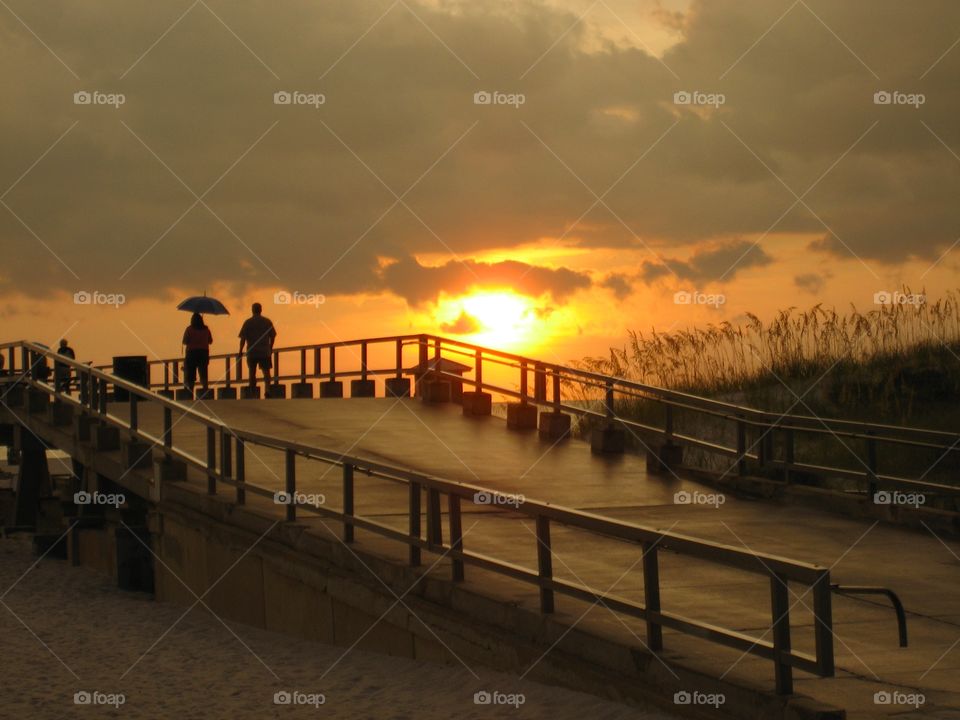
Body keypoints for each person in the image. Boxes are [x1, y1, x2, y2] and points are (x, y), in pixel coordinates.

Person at [238, 303, 277, 390]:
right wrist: (270, 347)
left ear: (252, 310)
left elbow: (243, 339)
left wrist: (240, 351)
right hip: (264, 351)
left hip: (252, 351)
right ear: (261, 310)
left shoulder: (247, 322)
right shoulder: (267, 321)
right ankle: (267, 390)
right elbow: (273, 336)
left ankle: (253, 391)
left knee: (252, 372)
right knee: (266, 372)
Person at [182, 313, 213, 393]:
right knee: (203, 372)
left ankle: (191, 390)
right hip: (203, 353)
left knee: (191, 373)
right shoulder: (206, 329)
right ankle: (205, 388)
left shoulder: (189, 329)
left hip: (191, 353)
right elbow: (210, 341)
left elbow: (185, 341)